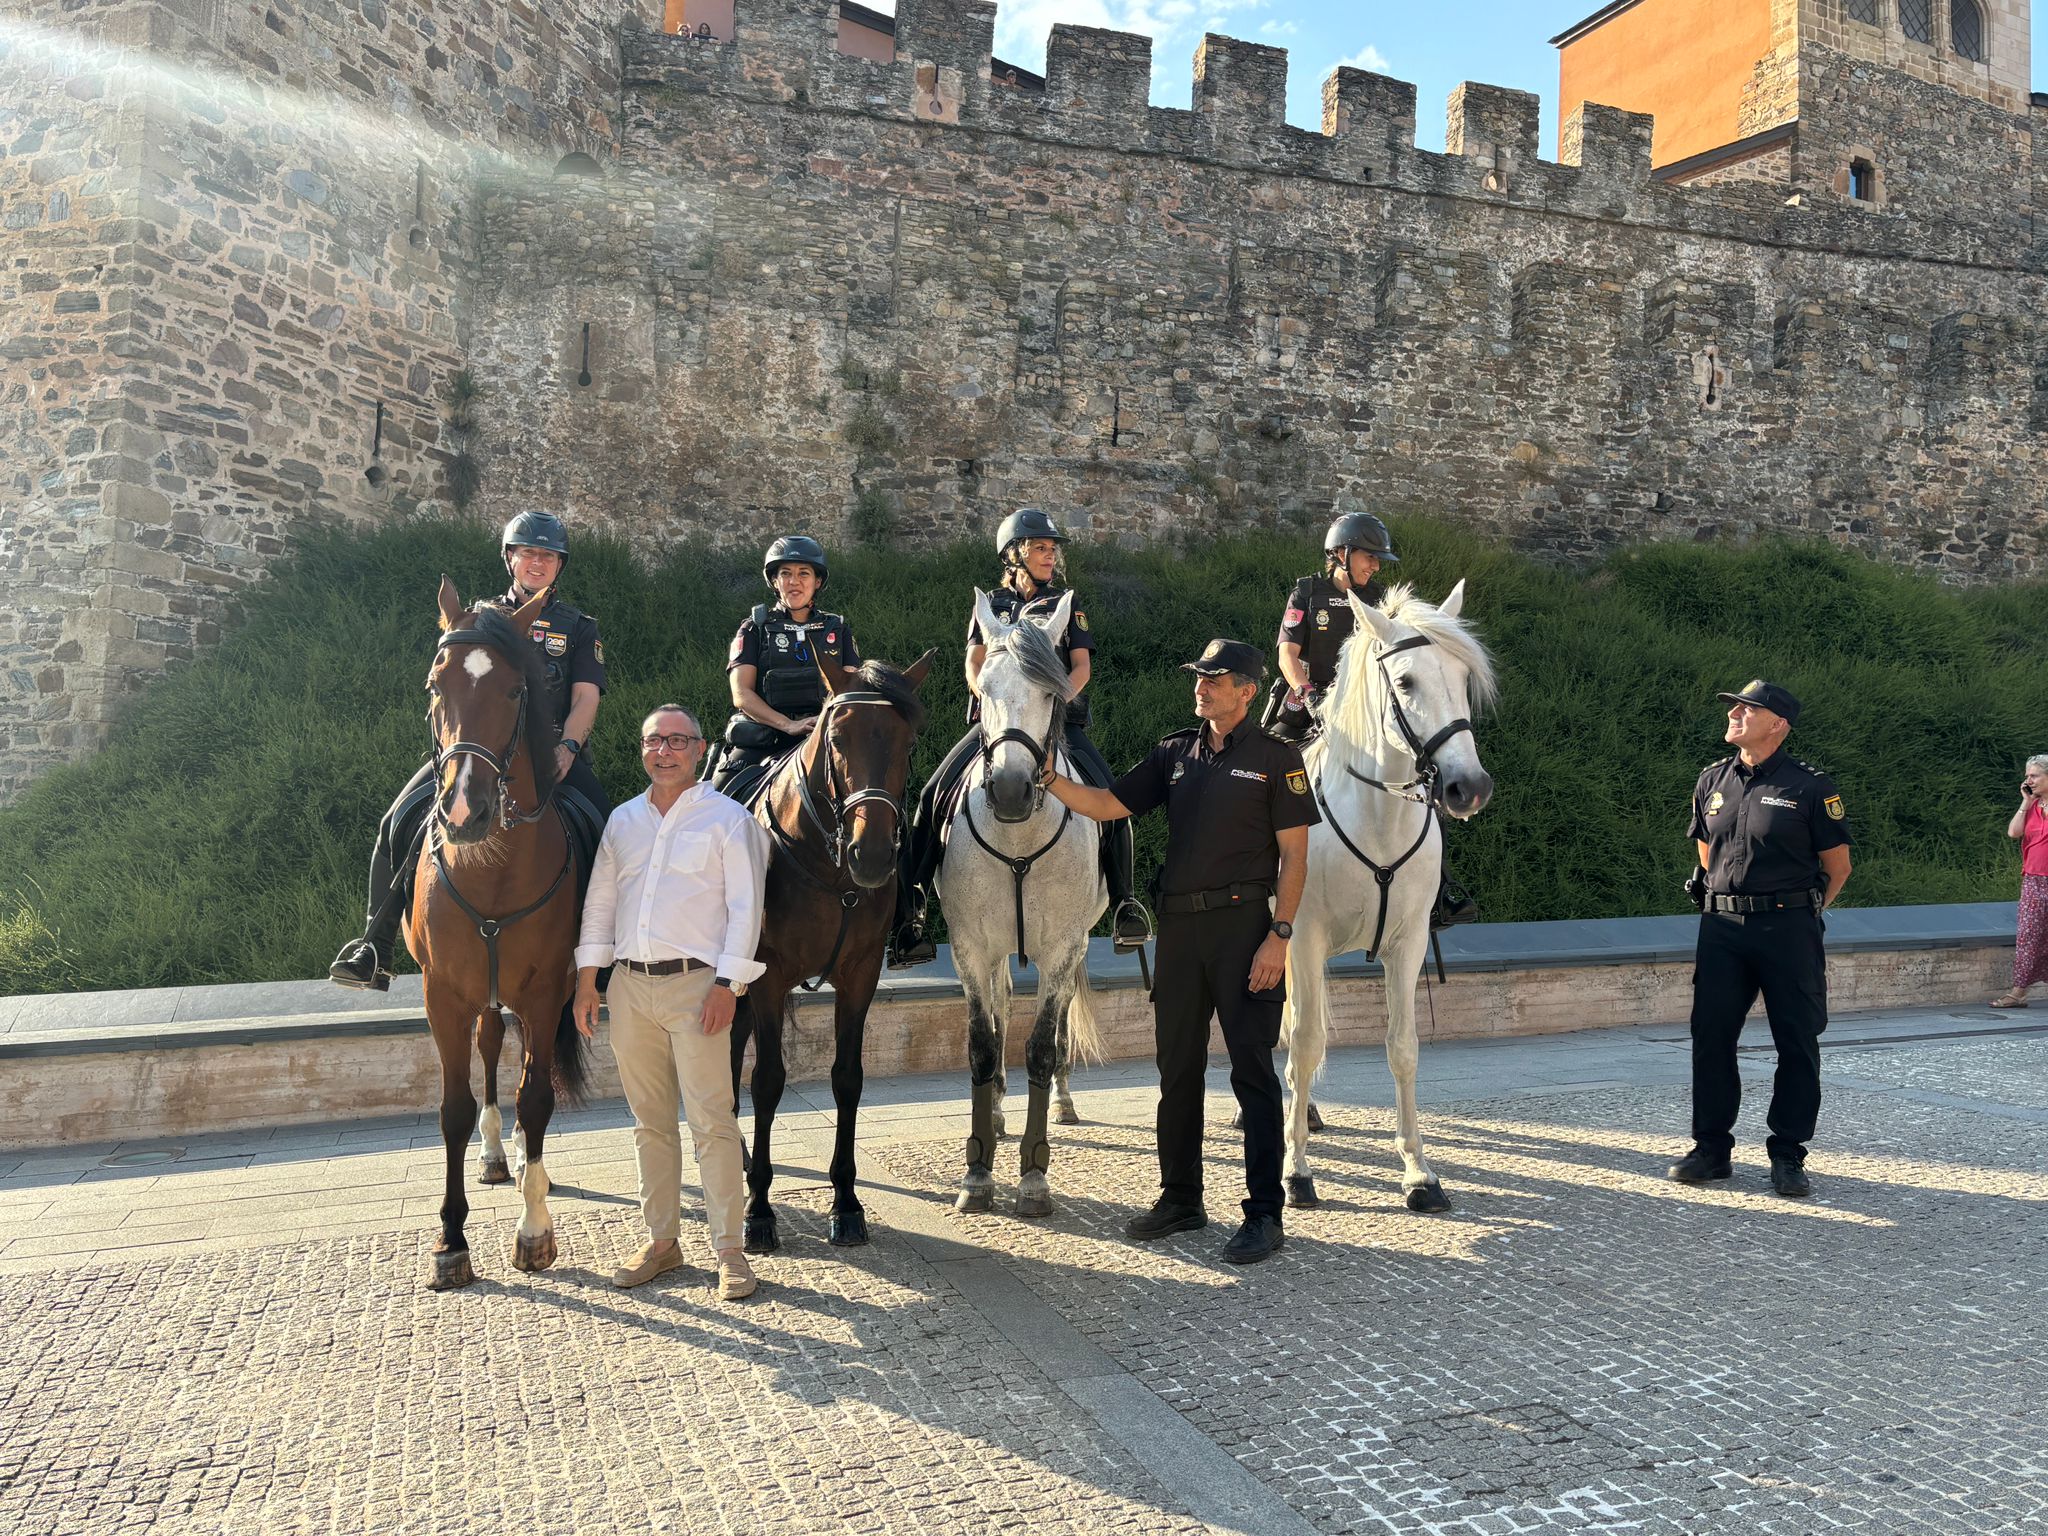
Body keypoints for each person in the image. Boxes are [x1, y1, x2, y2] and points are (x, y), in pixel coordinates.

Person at [1038, 639, 1317, 1265]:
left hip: (1247, 929)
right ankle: (1181, 1198)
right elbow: (1110, 805)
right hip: (1181, 933)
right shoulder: (1175, 753)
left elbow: (1295, 856)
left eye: (1216, 679)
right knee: (1178, 1071)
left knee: (1252, 1073)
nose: (1203, 687)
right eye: (1199, 677)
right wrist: (1051, 780)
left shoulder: (1277, 759)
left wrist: (1280, 934)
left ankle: (1265, 1214)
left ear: (1248, 690)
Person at [329, 511, 611, 990]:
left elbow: (586, 697)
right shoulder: (479, 618)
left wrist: (567, 747)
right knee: (395, 821)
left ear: (559, 565)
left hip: (552, 755)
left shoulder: (578, 626)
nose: (537, 562)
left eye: (547, 555)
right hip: (476, 750)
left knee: (606, 830)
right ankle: (374, 943)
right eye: (528, 552)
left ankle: (600, 954)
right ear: (510, 559)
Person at [891, 507, 1150, 966]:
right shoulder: (990, 605)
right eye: (1041, 548)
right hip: (995, 726)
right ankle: (910, 911)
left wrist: (1053, 697)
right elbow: (973, 661)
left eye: (1052, 550)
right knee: (932, 796)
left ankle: (1126, 902)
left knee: (1110, 798)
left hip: (1057, 727)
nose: (1050, 557)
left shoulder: (1067, 604)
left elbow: (1082, 667)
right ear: (1015, 554)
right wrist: (987, 692)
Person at [573, 705, 769, 1300]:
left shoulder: (728, 819)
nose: (664, 750)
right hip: (630, 987)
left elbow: (746, 908)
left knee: (713, 1120)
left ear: (700, 749)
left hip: (697, 988)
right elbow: (601, 902)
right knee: (648, 1123)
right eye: (654, 740)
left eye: (677, 740)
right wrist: (588, 980)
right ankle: (663, 1241)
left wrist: (728, 986)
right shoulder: (623, 821)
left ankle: (730, 1252)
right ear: (642, 750)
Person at [1671, 680, 1852, 1199]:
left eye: (1748, 708)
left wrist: (1799, 913)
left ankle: (1789, 1155)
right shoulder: (1711, 780)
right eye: (1734, 705)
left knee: (1796, 1040)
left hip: (1787, 929)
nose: (1735, 713)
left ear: (1778, 724)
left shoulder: (1812, 787)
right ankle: (1711, 1150)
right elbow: (1706, 853)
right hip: (1722, 928)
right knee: (1710, 1037)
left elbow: (1837, 868)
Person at [707, 535, 861, 801]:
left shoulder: (838, 629)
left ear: (817, 581)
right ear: (775, 582)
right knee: (716, 798)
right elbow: (741, 694)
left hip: (822, 732)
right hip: (765, 736)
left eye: (804, 573)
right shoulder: (754, 628)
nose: (794, 581)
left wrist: (819, 724)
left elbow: (848, 690)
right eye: (786, 573)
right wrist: (788, 725)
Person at [1266, 510, 1397, 745]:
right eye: (1370, 557)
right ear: (1341, 552)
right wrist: (1308, 694)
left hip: (1364, 705)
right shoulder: (1305, 594)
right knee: (1266, 756)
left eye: (1378, 559)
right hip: (1310, 703)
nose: (1375, 566)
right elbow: (1287, 656)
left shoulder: (1382, 600)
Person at [1991, 753, 2048, 1008]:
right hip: (2034, 880)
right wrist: (2025, 802)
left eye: (2034, 775)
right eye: (2027, 776)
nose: (2029, 780)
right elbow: (2013, 832)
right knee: (2028, 935)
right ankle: (2018, 992)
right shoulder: (2033, 806)